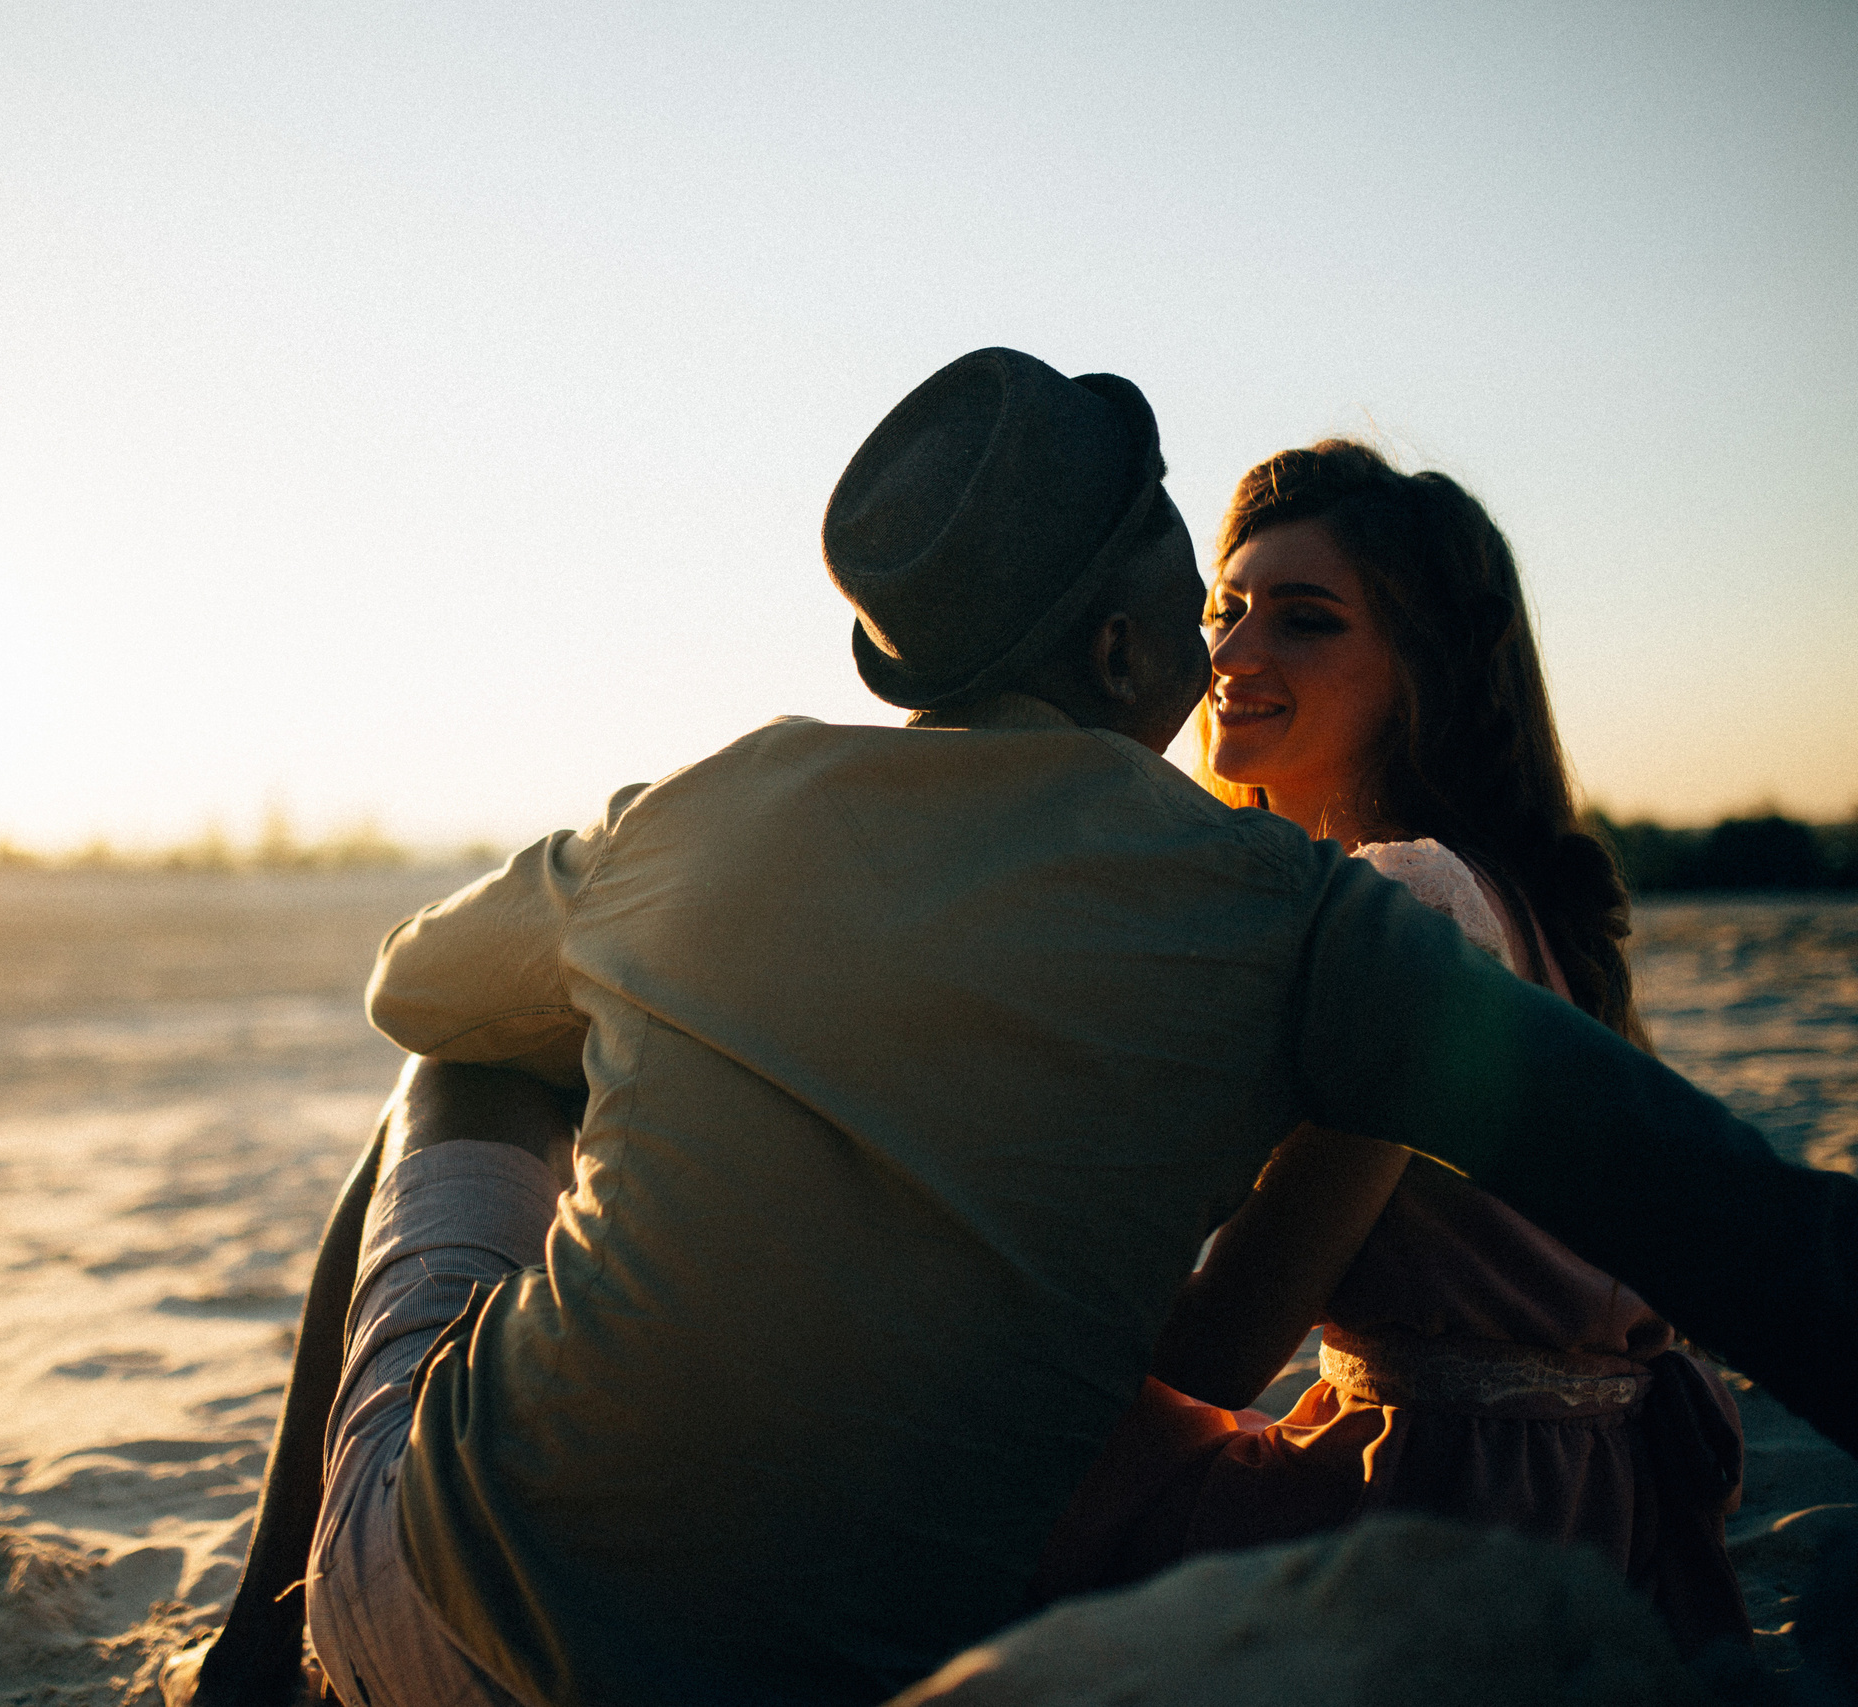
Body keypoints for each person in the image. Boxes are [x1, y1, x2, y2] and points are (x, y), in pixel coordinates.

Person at [193, 348, 1856, 1707]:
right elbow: (1726, 1217)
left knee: (472, 1054)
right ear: (1129, 644)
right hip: (852, 1668)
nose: (1224, 653)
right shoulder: (1299, 919)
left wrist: (651, 954)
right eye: (1190, 587)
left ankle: (261, 1653)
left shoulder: (709, 808)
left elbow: (413, 985)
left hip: (443, 1619)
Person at [1030, 442, 1751, 1651]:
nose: (1229, 655)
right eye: (1224, 609)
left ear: (1426, 673)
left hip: (1448, 1503)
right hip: (1562, 1485)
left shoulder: (1411, 903)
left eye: (1304, 621)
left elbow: (1229, 1340)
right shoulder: (1499, 893)